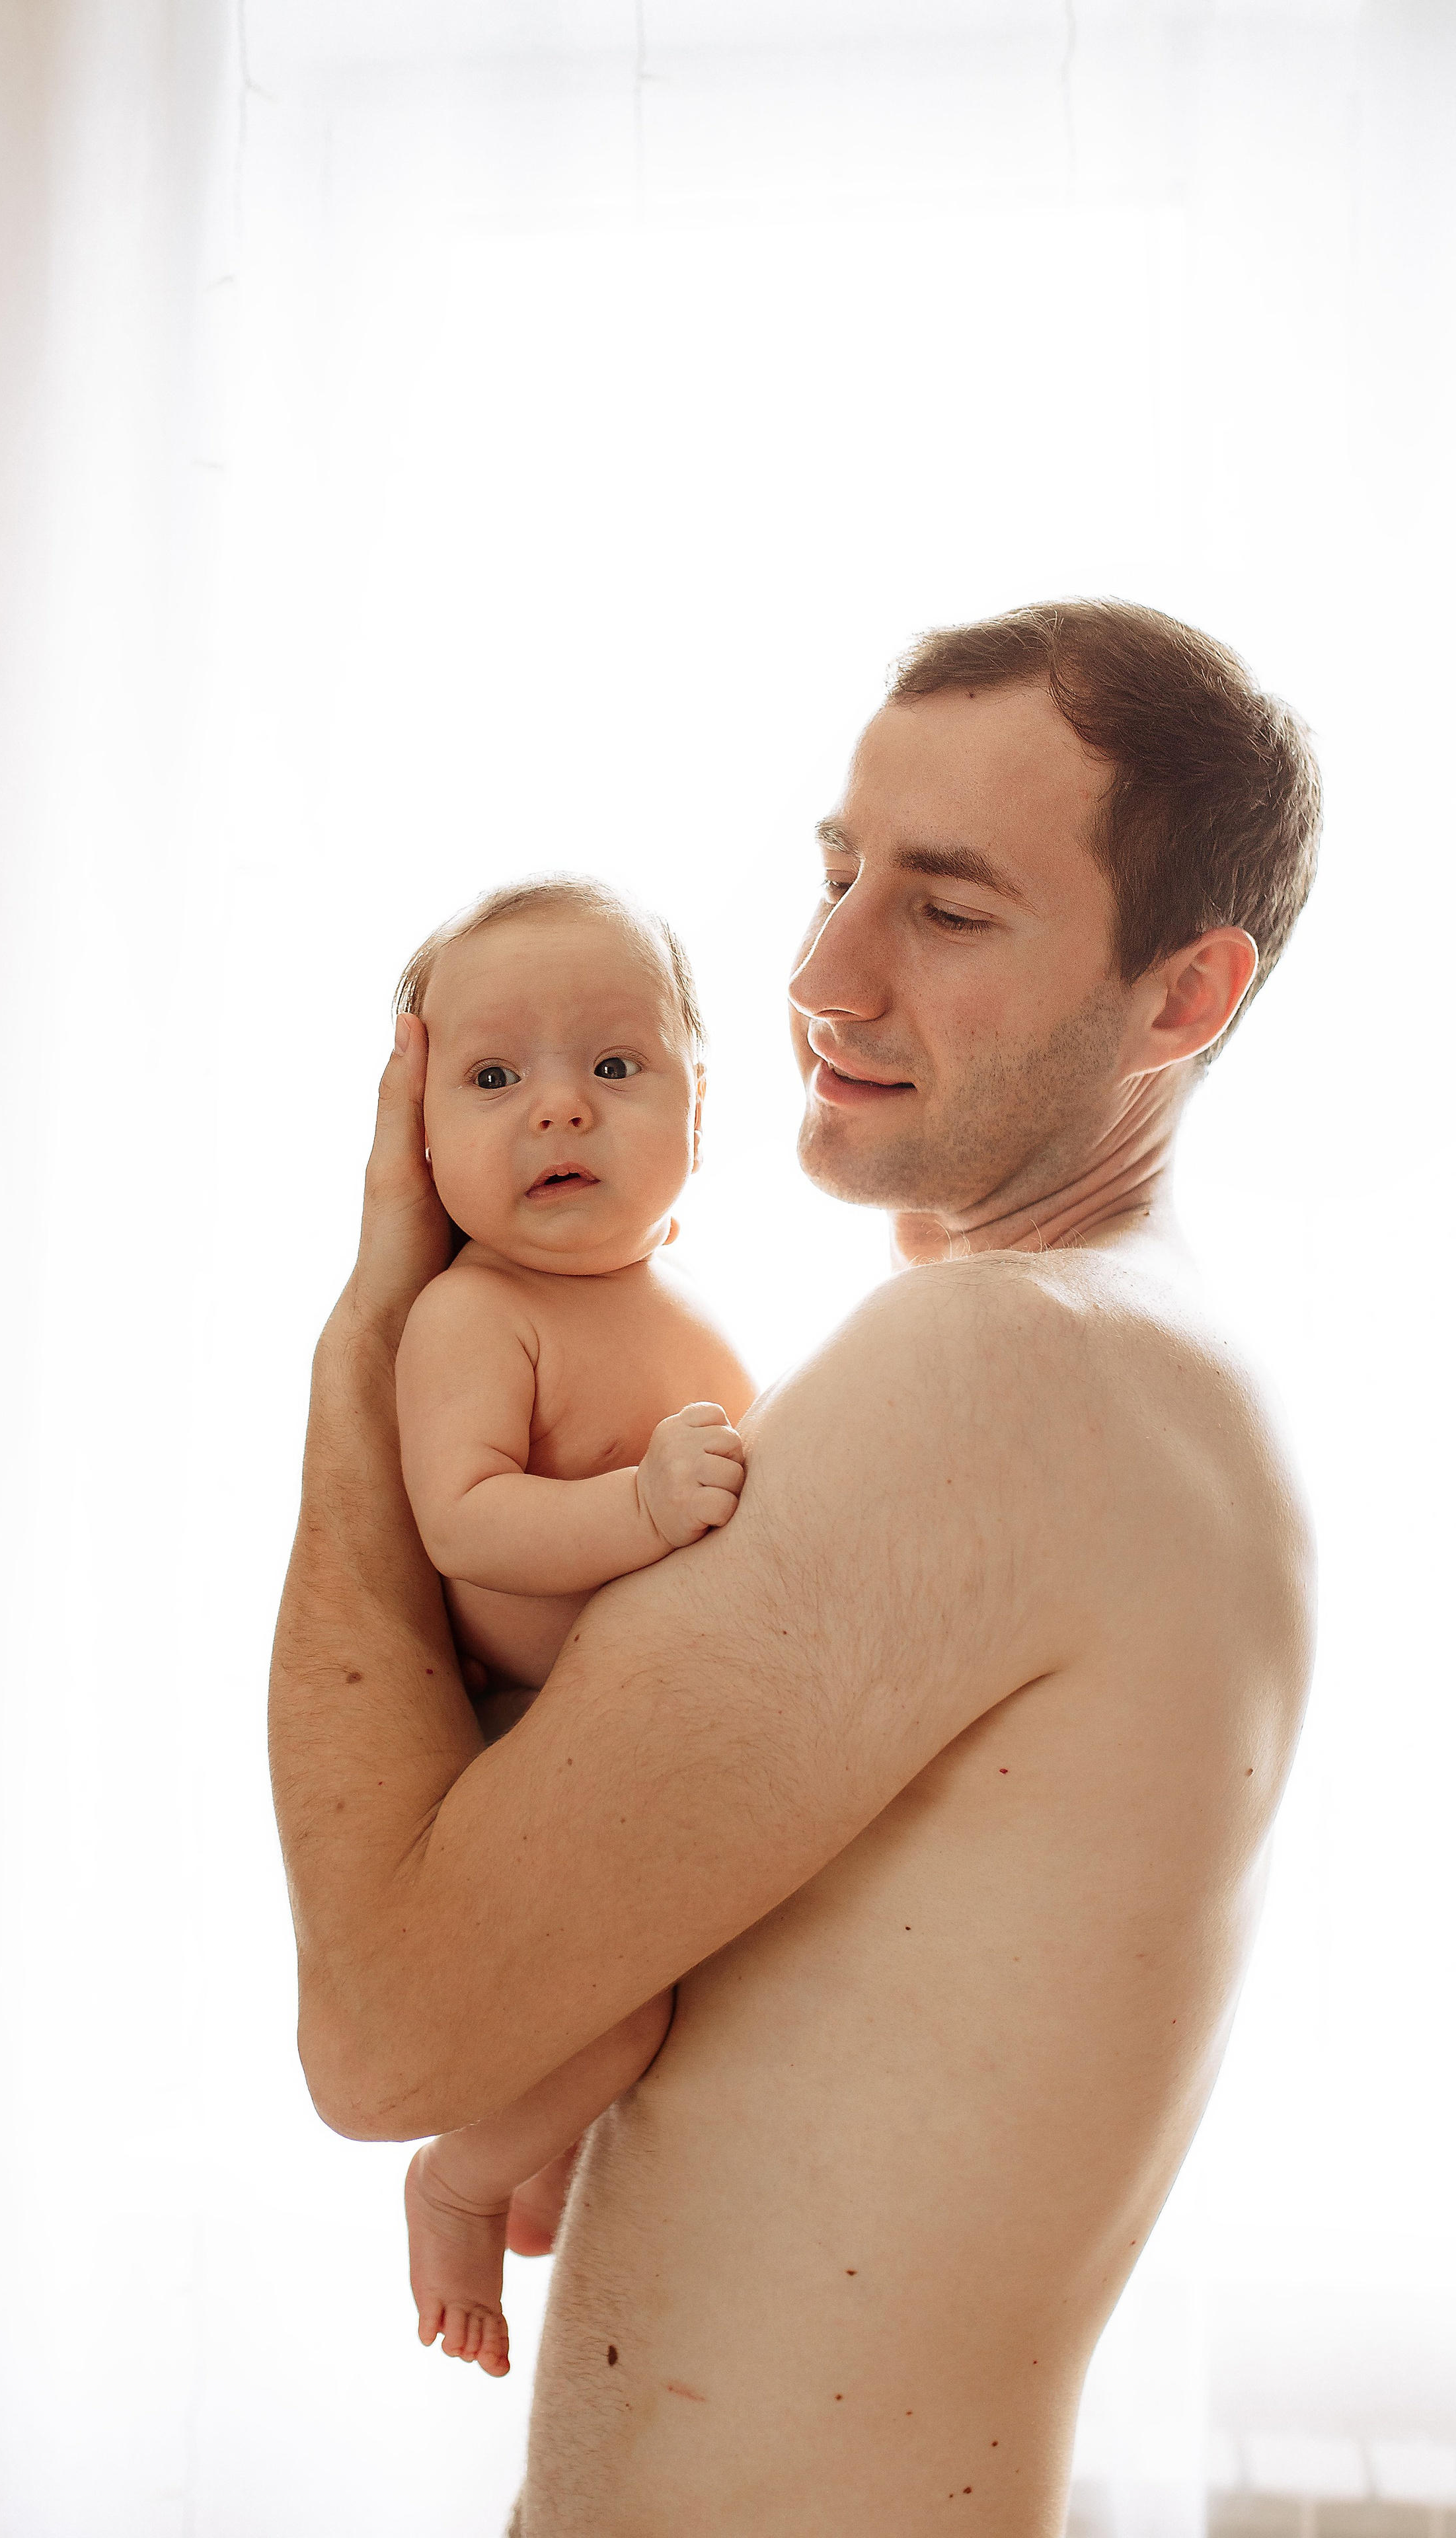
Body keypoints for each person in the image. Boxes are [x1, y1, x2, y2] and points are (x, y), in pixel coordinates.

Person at [269, 599, 1321, 2537]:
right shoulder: (1155, 1364)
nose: (822, 973)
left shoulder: (1011, 1369)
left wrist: (365, 1350)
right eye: (836, 873)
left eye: (947, 907)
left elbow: (382, 2033)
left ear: (1183, 998)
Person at [391, 877, 755, 2376]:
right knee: (618, 2022)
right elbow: (467, 1520)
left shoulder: (688, 1320)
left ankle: (542, 2165)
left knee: (673, 2023)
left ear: (695, 1108)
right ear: (418, 1143)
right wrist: (643, 1513)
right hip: (518, 1743)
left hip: (640, 1748)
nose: (558, 1112)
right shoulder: (477, 1316)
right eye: (493, 1079)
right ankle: (462, 2177)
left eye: (615, 1067)